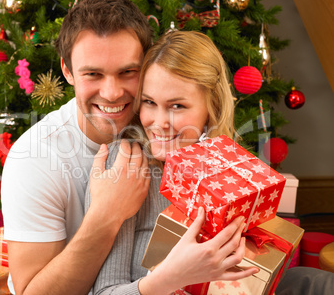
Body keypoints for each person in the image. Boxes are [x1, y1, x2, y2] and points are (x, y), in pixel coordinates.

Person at [85, 30, 260, 294]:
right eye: (149, 102)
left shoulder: (230, 172)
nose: (159, 123)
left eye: (177, 106)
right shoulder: (122, 167)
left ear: (210, 109)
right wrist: (169, 278)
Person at [1, 0, 154, 294]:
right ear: (68, 70)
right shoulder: (34, 158)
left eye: (128, 72)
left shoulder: (163, 130)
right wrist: (108, 214)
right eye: (93, 74)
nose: (111, 93)